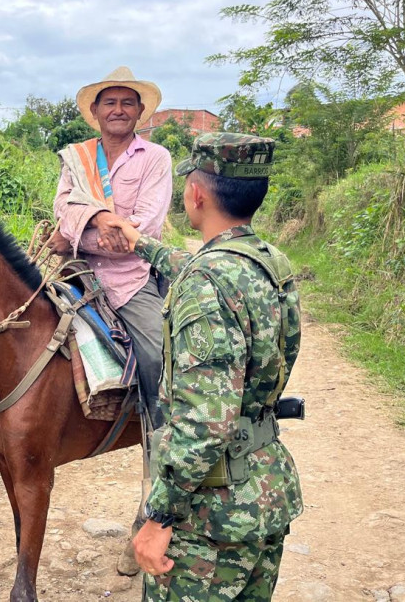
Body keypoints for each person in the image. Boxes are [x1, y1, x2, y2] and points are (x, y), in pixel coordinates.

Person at [101, 132, 303, 600]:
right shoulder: (269, 262)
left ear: (195, 195)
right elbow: (195, 267)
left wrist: (159, 519)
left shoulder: (205, 285)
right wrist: (139, 242)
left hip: (212, 516)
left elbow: (206, 424)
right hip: (266, 489)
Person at [51, 66, 172, 430]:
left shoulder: (155, 157)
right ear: (96, 112)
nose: (118, 109)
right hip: (77, 273)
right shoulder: (77, 157)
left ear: (139, 112)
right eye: (110, 103)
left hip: (131, 281)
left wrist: (72, 238)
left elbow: (143, 229)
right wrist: (103, 219)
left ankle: (163, 434)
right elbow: (63, 208)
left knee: (157, 356)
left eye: (126, 103)